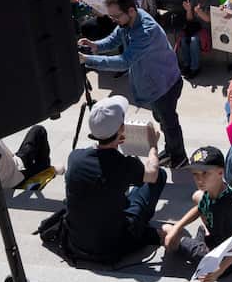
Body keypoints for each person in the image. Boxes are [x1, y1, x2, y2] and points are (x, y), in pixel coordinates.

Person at [79, 0, 187, 168]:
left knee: (169, 122)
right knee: (161, 119)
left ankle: (179, 157)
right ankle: (170, 151)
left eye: (116, 16)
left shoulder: (145, 31)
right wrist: (95, 46)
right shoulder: (127, 21)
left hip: (164, 84)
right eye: (111, 16)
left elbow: (124, 62)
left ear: (130, 11)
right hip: (152, 84)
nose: (113, 20)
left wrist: (89, 60)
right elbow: (115, 38)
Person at [59, 96, 167, 264]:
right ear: (122, 128)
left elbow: (100, 164)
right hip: (112, 246)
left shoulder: (75, 158)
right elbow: (152, 173)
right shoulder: (124, 165)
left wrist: (114, 141)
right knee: (159, 176)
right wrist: (153, 145)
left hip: (77, 243)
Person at [162, 146, 232, 282]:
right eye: (195, 174)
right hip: (214, 238)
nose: (199, 179)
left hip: (220, 260)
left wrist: (218, 272)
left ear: (220, 172)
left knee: (166, 230)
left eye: (205, 173)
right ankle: (194, 239)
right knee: (197, 198)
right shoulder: (214, 188)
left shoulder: (227, 205)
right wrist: (178, 226)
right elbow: (199, 208)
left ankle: (185, 244)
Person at [181, 0, 214, 77]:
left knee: (194, 40)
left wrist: (200, 12)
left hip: (206, 30)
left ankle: (195, 68)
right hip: (194, 28)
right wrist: (188, 10)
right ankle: (187, 65)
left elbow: (209, 19)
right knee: (183, 40)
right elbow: (190, 19)